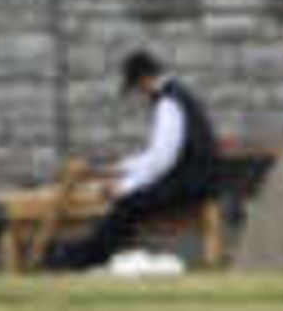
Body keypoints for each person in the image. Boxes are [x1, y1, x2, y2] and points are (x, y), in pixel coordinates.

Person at [56, 50, 228, 267]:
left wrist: (125, 187)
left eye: (137, 88)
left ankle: (78, 260)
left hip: (192, 183)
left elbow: (161, 161)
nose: (140, 94)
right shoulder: (177, 96)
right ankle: (86, 256)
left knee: (128, 205)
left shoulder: (168, 103)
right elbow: (155, 157)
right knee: (129, 201)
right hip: (196, 179)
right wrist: (116, 169)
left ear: (144, 79)